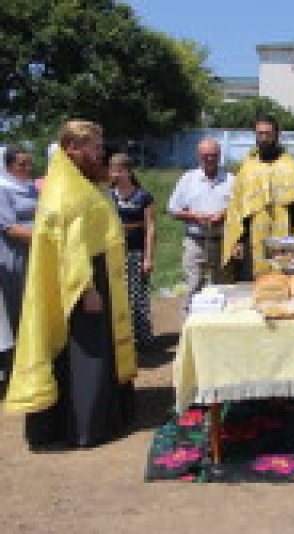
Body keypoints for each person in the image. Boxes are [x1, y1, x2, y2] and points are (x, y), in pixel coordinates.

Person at [4, 120, 137, 450]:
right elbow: (71, 246)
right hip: (81, 282)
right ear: (72, 149)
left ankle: (100, 416)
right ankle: (86, 426)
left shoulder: (81, 181)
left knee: (95, 348)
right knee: (84, 352)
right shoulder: (67, 189)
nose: (100, 152)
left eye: (99, 144)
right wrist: (87, 289)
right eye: (93, 146)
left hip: (96, 275)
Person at [222, 116, 294, 281]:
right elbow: (237, 207)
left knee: (284, 288)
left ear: (277, 135)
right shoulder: (248, 167)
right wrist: (238, 240)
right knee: (252, 287)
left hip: (285, 237)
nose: (263, 138)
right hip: (252, 238)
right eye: (259, 134)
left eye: (267, 134)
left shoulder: (290, 165)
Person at [167, 138, 233, 309]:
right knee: (193, 286)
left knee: (224, 287)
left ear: (219, 156)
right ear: (199, 156)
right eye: (205, 156)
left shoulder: (231, 180)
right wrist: (194, 216)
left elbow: (240, 209)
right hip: (195, 241)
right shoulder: (188, 179)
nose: (209, 159)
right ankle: (190, 328)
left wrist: (224, 214)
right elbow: (172, 209)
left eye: (213, 155)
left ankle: (221, 328)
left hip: (223, 241)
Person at [0, 148, 38, 392]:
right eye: (22, 164)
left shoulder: (32, 188)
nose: (27, 168)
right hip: (14, 255)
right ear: (9, 166)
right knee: (14, 311)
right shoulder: (2, 189)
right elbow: (10, 228)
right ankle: (12, 369)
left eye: (29, 163)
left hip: (36, 254)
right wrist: (46, 238)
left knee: (30, 310)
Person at [109, 153, 156, 349]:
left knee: (138, 298)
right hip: (114, 254)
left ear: (129, 171)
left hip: (136, 253)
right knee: (118, 298)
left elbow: (150, 228)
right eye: (113, 171)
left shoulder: (143, 196)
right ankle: (121, 340)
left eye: (120, 170)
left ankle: (144, 338)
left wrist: (148, 257)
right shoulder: (108, 195)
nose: (116, 175)